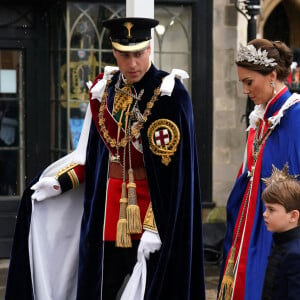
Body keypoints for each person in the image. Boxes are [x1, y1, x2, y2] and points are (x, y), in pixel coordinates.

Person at [5, 17, 205, 300]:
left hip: (152, 219)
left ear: (149, 50)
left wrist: (154, 227)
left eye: (138, 53)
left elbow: (175, 179)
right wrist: (60, 183)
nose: (132, 63)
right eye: (125, 54)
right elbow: (92, 156)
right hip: (106, 218)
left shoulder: (170, 96)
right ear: (114, 52)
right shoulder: (105, 91)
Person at [217, 38, 300, 300]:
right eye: (242, 82)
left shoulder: (295, 118)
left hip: (277, 233)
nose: (244, 90)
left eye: (249, 82)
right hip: (249, 226)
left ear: (272, 75)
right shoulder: (260, 120)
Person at [261, 163, 300, 300]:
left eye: (271, 209)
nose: (265, 214)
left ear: (293, 216)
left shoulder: (295, 254)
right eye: (266, 208)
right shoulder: (279, 243)